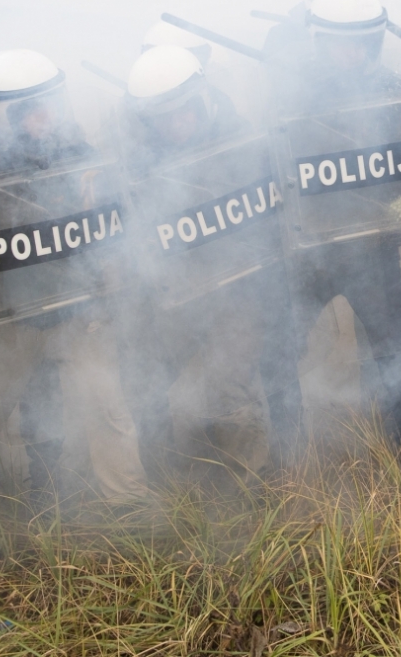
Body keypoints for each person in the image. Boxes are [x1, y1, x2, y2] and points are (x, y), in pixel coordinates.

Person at [0, 50, 148, 518]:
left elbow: (106, 212)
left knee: (107, 406)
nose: (44, 117)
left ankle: (130, 507)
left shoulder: (73, 147)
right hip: (8, 311)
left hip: (75, 302)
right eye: (28, 109)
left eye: (48, 104)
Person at [272, 0, 401, 510]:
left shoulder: (398, 94)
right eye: (337, 43)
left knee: (397, 353)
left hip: (369, 250)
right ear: (319, 42)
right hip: (310, 254)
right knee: (276, 353)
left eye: (359, 43)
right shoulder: (293, 98)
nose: (349, 54)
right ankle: (287, 471)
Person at [117, 44, 304, 486]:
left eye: (184, 111)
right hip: (175, 292)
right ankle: (167, 485)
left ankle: (250, 486)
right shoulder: (138, 163)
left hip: (237, 288)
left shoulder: (243, 137)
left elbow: (276, 212)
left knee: (229, 387)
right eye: (164, 118)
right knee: (143, 378)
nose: (177, 124)